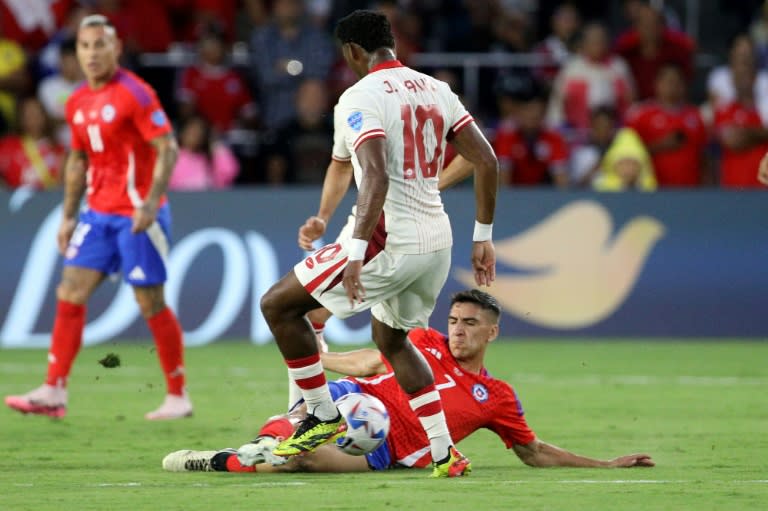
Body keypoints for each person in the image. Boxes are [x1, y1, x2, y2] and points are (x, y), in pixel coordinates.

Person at [258, 10, 498, 478]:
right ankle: (445, 452)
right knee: (391, 339)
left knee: (278, 306)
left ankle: (320, 414)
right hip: (436, 243)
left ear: (351, 52)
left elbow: (377, 176)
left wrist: (354, 250)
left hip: (387, 240)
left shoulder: (358, 96)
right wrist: (483, 237)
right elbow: (485, 159)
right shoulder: (436, 89)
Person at [162, 290, 655, 475]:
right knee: (318, 426)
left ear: (492, 332)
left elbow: (534, 452)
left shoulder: (497, 398)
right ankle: (262, 443)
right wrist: (315, 358)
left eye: (469, 324)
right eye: (455, 320)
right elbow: (370, 364)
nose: (458, 329)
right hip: (355, 402)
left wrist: (606, 463)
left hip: (383, 453)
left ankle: (228, 459)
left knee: (301, 461)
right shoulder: (422, 339)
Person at [4, 15, 192, 420]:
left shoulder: (135, 94)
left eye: (99, 45)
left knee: (150, 302)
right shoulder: (77, 101)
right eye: (84, 46)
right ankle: (54, 390)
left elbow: (168, 149)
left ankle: (178, 395)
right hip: (97, 213)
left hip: (138, 214)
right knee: (69, 291)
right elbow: (77, 160)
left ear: (116, 48)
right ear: (77, 53)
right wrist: (69, 216)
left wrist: (150, 202)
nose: (91, 54)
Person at [624, 63, 708, 187]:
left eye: (677, 81)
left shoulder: (695, 115)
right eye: (668, 81)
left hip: (690, 189)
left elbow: (704, 155)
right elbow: (628, 154)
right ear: (657, 84)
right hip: (654, 189)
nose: (673, 86)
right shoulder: (642, 115)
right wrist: (660, 145)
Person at [0, 96, 65, 190]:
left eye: (37, 113)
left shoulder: (58, 149)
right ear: (20, 118)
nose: (33, 119)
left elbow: (61, 185)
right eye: (28, 114)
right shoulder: (7, 145)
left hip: (49, 201)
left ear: (44, 116)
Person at [169, 115, 239, 191]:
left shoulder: (209, 157)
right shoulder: (172, 157)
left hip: (207, 200)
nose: (196, 135)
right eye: (192, 131)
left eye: (199, 132)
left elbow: (228, 174)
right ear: (182, 133)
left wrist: (216, 146)